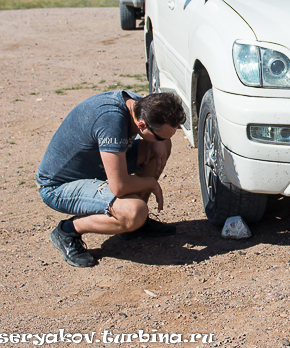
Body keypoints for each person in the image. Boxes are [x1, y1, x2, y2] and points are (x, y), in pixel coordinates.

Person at [36, 90, 187, 267]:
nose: (163, 140)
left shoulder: (139, 105)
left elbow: (155, 140)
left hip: (94, 166)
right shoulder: (112, 119)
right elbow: (119, 186)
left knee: (160, 149)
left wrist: (159, 142)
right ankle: (67, 231)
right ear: (142, 125)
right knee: (134, 211)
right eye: (160, 136)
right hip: (58, 186)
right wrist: (151, 183)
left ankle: (136, 226)